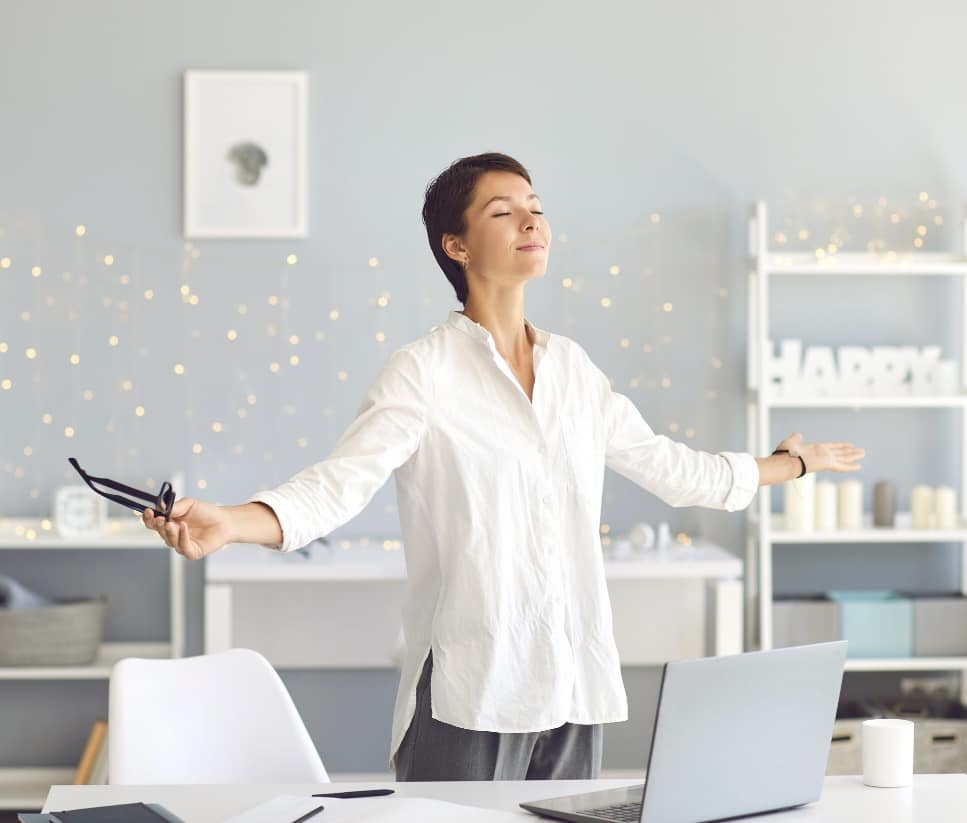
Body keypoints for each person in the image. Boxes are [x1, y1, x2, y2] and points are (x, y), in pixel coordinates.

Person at [141, 152, 865, 781]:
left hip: (573, 685)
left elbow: (680, 472)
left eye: (536, 208)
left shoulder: (575, 372)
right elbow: (339, 486)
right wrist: (230, 523)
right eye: (504, 210)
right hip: (470, 686)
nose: (531, 222)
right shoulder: (422, 372)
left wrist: (788, 464)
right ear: (455, 244)